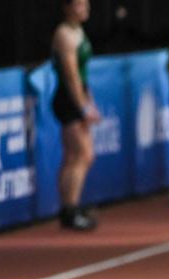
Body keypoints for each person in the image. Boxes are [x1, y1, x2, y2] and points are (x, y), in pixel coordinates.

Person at [51, 0, 100, 231]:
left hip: (77, 99)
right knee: (82, 154)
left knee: (75, 155)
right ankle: (69, 210)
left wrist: (90, 103)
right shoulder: (64, 34)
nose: (86, 8)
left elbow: (83, 75)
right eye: (80, 4)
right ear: (67, 7)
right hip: (68, 101)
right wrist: (82, 108)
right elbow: (71, 76)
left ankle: (68, 207)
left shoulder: (78, 30)